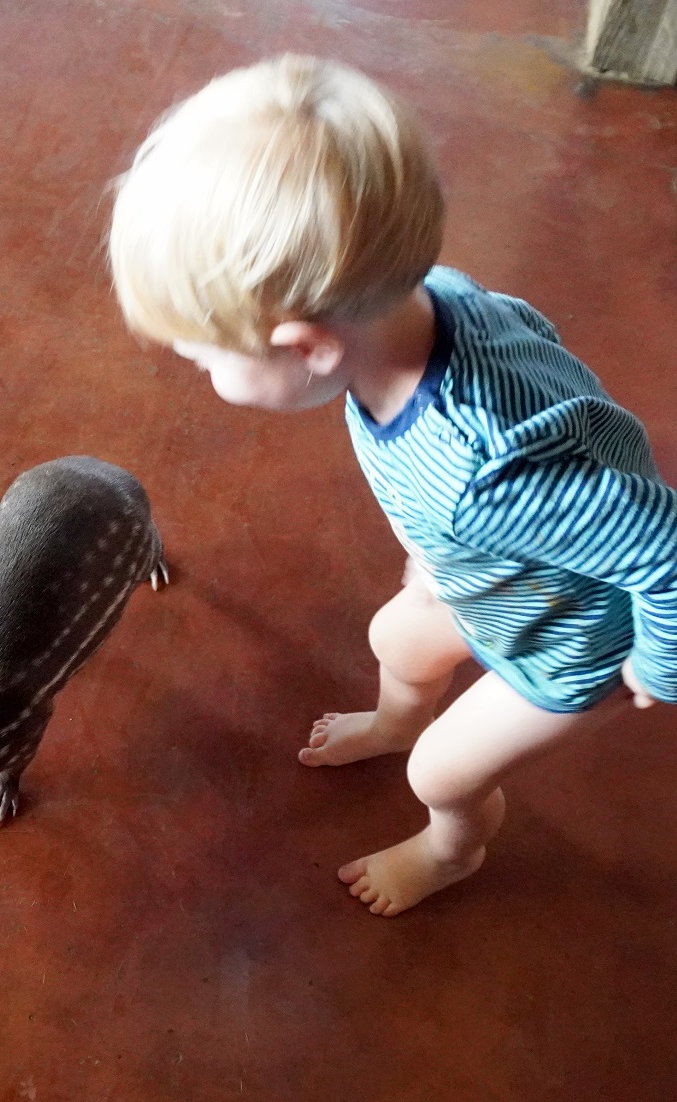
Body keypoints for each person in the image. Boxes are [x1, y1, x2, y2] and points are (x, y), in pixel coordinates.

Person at [108, 55, 676, 916]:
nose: (198, 371)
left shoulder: (485, 471)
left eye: (202, 357)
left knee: (442, 773)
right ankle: (395, 720)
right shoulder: (434, 298)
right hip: (489, 572)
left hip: (568, 638)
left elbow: (664, 551)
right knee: (397, 641)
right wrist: (433, 550)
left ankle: (453, 848)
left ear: (308, 348)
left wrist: (657, 665)